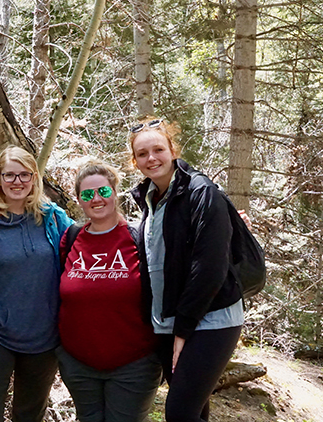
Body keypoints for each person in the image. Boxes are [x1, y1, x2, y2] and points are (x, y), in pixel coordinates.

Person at [128, 116, 244, 422]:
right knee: (195, 411)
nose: (151, 158)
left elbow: (210, 267)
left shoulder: (200, 190)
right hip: (169, 323)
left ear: (172, 150)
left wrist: (183, 329)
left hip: (210, 319)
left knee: (179, 412)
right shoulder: (150, 200)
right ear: (135, 161)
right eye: (142, 154)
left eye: (158, 149)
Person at [0, 146, 74, 422]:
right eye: (9, 175)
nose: (17, 182)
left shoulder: (53, 218)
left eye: (24, 175)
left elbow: (88, 241)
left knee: (30, 415)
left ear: (35, 178)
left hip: (44, 339)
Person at [56, 161, 161, 422]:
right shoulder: (71, 238)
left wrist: (226, 222)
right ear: (79, 200)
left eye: (103, 191)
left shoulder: (141, 236)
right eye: (87, 194)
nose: (97, 199)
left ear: (115, 192)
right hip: (78, 364)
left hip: (134, 364)